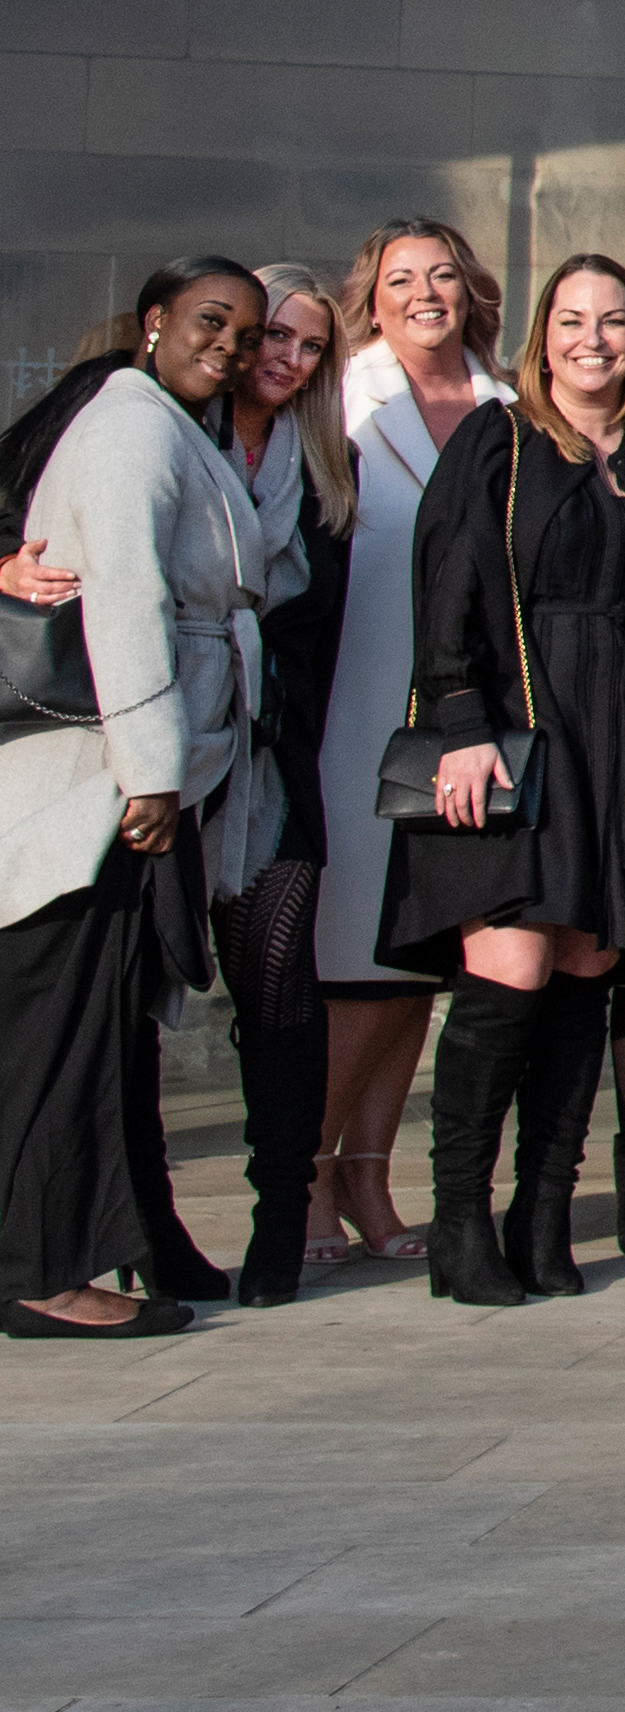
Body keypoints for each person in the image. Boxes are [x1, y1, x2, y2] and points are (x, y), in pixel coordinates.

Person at [386, 252, 625, 1308]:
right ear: (542, 336)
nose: (594, 341)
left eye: (615, 323)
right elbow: (444, 583)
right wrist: (458, 724)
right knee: (506, 979)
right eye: (573, 322)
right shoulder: (496, 442)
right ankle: (460, 1224)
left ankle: (542, 1217)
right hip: (524, 737)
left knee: (586, 983)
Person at [2, 258, 288, 1334]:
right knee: (61, 1038)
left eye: (249, 330)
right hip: (92, 798)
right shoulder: (129, 427)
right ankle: (41, 1274)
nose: (231, 343)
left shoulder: (175, 429)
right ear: (155, 321)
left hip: (121, 780)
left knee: (91, 1035)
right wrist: (153, 775)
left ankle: (72, 1256)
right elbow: (123, 594)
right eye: (212, 320)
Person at [318, 220, 511, 1267]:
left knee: (419, 961)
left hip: (468, 716)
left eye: (443, 274)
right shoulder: (345, 398)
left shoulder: (508, 403)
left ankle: (369, 1179)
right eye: (402, 279)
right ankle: (307, 1180)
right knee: (355, 961)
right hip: (362, 702)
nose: (426, 291)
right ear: (374, 299)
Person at [214, 262, 356, 1306]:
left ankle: (280, 1216)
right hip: (172, 752)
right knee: (133, 993)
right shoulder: (175, 430)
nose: (287, 359)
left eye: (311, 348)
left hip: (275, 760)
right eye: (278, 336)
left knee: (279, 989)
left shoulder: (324, 465)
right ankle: (148, 1223)